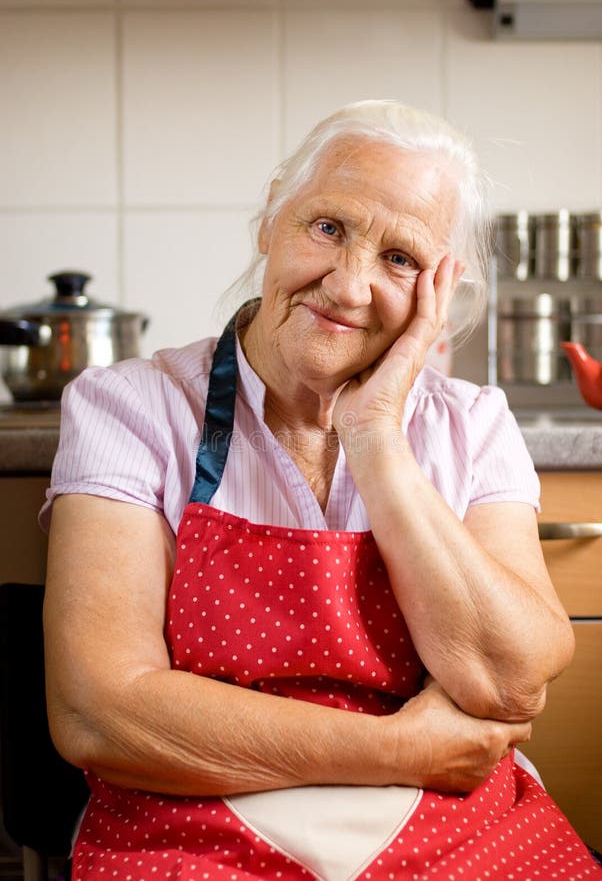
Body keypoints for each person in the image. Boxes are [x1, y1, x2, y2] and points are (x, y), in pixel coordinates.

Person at [41, 100, 601, 881]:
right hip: (194, 818)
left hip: (448, 821)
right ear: (272, 217)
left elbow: (508, 681)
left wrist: (376, 437)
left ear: (441, 286)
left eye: (400, 259)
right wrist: (400, 749)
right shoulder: (128, 407)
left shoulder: (473, 424)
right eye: (329, 228)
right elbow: (98, 712)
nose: (347, 285)